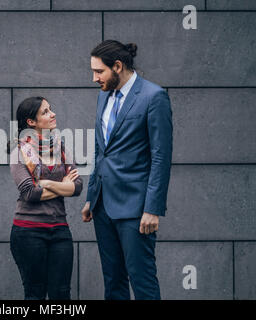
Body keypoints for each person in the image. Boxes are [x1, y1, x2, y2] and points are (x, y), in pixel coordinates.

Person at [81, 40, 173, 300]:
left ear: (118, 66)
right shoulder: (102, 96)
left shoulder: (154, 97)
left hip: (136, 208)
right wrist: (91, 196)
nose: (94, 78)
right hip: (103, 207)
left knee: (142, 282)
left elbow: (161, 157)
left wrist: (153, 208)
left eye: (99, 72)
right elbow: (101, 151)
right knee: (113, 284)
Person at [8, 96, 83, 300]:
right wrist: (63, 185)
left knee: (61, 295)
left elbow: (77, 187)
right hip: (28, 233)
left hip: (60, 231)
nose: (53, 114)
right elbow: (30, 193)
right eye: (45, 112)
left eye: (51, 109)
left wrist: (47, 184)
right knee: (35, 294)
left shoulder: (61, 148)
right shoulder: (20, 152)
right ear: (31, 122)